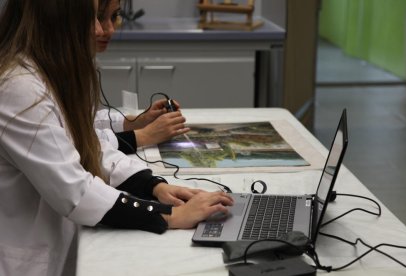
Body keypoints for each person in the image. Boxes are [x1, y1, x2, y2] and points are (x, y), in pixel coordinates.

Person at [0, 1, 233, 275]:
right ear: (57, 17)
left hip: (59, 241)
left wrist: (154, 187)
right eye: (93, 18)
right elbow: (76, 192)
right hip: (24, 259)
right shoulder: (18, 88)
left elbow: (91, 145)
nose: (101, 29)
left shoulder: (51, 74)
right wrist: (169, 215)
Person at [94, 0, 190, 154]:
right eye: (97, 17)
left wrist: (138, 122)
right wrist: (145, 135)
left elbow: (88, 123)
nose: (109, 30)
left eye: (114, 17)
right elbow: (76, 144)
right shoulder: (48, 82)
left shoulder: (80, 63)